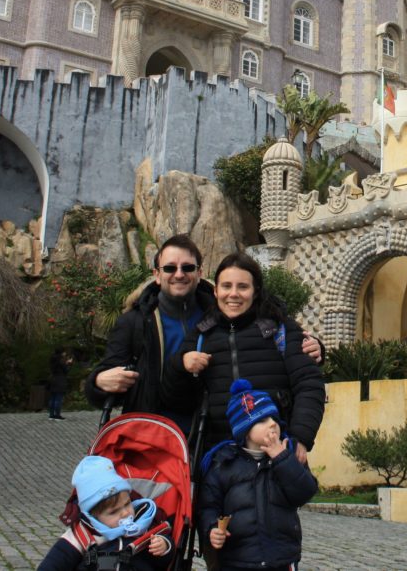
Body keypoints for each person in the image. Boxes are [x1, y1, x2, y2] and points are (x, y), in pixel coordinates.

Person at [85, 236, 321, 430]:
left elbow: (264, 325)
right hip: (152, 432)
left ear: (199, 273)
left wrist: (315, 346)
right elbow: (109, 374)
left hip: (205, 434)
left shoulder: (217, 312)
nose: (179, 274)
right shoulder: (134, 322)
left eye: (187, 267)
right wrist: (97, 381)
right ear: (157, 274)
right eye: (170, 268)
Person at [164, 252, 326, 461]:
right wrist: (180, 364)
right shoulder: (201, 335)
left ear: (255, 291)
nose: (233, 294)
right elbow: (173, 396)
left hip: (277, 453)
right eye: (226, 286)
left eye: (242, 287)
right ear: (215, 290)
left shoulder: (281, 330)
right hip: (219, 460)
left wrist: (300, 439)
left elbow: (309, 384)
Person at [199, 378, 318, 571]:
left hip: (281, 558)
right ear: (245, 431)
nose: (272, 424)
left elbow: (305, 492)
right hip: (238, 559)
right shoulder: (223, 463)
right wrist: (212, 528)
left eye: (273, 418)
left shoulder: (288, 453)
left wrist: (282, 459)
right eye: (262, 420)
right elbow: (208, 506)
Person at [38, 455, 173, 571]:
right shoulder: (83, 534)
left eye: (127, 503)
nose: (125, 513)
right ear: (94, 516)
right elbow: (55, 561)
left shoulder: (143, 521)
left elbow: (163, 560)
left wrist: (165, 546)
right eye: (114, 512)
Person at [48, 348, 74, 421]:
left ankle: (51, 414)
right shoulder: (61, 361)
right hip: (60, 380)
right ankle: (57, 415)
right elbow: (66, 371)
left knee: (52, 398)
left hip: (53, 379)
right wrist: (69, 364)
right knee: (58, 398)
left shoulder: (53, 360)